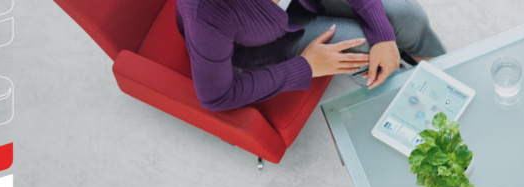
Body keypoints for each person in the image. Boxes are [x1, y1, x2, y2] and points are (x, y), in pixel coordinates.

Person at [177, 0, 446, 111]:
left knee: (409, 16)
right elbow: (216, 95)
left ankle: (448, 83)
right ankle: (418, 111)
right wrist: (305, 66)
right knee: (360, 51)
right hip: (259, 42)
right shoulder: (205, 12)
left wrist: (384, 33)